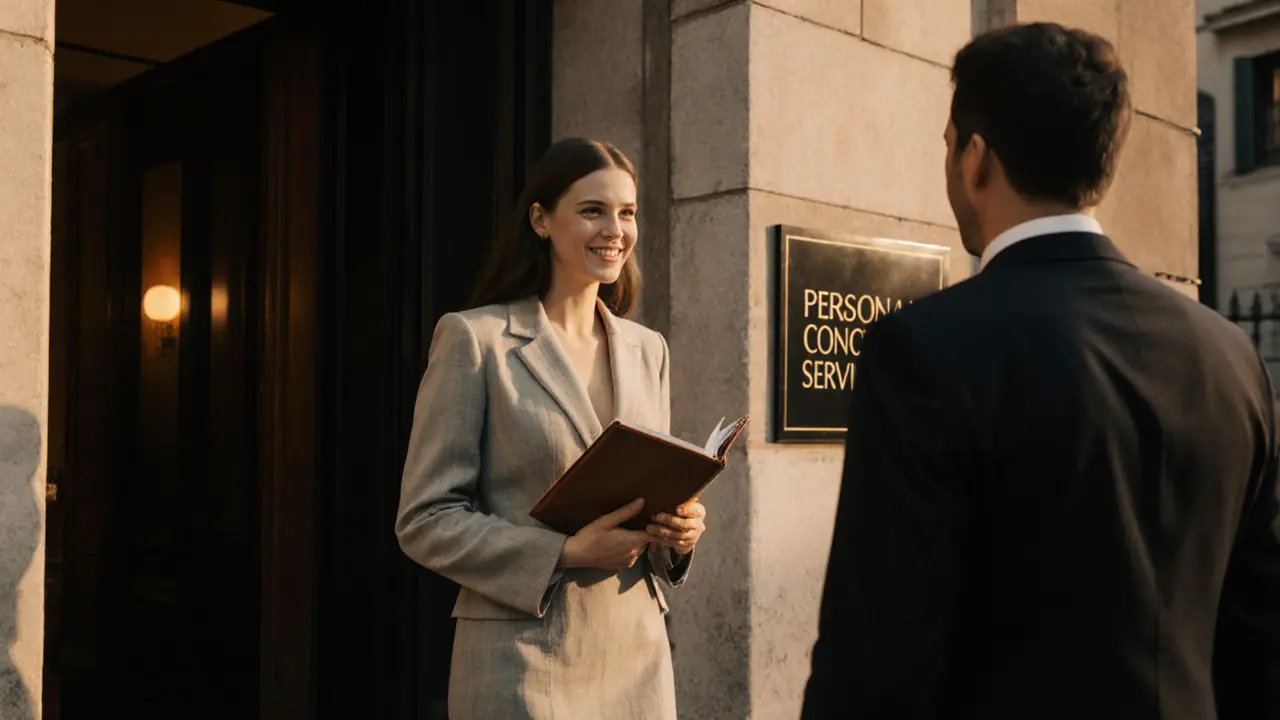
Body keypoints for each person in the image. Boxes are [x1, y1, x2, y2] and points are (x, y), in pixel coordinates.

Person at [802, 22, 1280, 720]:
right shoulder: (1229, 354)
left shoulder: (925, 351)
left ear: (975, 157)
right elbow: (1260, 642)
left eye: (946, 145)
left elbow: (876, 663)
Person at [395, 138, 706, 720]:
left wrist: (678, 534)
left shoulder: (648, 350)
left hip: (636, 661)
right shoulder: (474, 340)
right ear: (541, 219)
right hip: (521, 664)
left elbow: (645, 496)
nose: (615, 229)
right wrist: (562, 551)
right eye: (593, 210)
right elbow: (424, 519)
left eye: (627, 212)